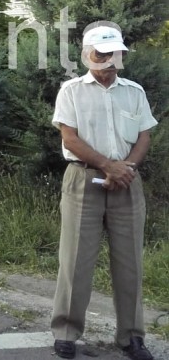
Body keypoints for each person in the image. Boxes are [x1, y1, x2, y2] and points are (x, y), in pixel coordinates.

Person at [50, 26, 158, 360]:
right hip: (84, 180)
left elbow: (143, 137)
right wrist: (107, 166)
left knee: (130, 263)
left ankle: (131, 336)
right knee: (75, 260)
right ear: (87, 54)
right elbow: (69, 138)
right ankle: (66, 332)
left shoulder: (134, 91)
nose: (110, 61)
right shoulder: (71, 91)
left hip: (127, 182)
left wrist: (125, 168)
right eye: (102, 54)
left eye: (116, 55)